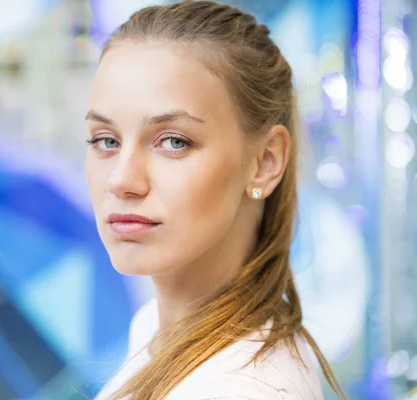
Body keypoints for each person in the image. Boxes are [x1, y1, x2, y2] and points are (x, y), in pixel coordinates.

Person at [85, 1, 346, 399]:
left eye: (174, 142)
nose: (122, 180)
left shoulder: (245, 389)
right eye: (106, 140)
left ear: (265, 161)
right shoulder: (153, 328)